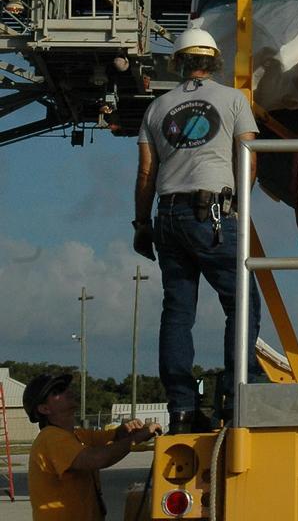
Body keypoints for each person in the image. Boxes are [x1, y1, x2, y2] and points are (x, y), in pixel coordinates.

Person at [133, 28, 263, 432]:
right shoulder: (233, 100)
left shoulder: (157, 108)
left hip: (167, 215)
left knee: (177, 312)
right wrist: (239, 205)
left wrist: (141, 224)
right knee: (241, 303)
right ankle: (241, 389)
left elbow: (146, 172)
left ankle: (183, 408)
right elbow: (249, 156)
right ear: (214, 61)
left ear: (178, 62)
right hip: (214, 215)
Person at [25, 372, 160, 519]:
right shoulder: (51, 438)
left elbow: (114, 437)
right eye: (57, 392)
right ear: (44, 409)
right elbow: (97, 458)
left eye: (65, 388)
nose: (68, 392)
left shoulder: (77, 435)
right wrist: (136, 439)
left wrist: (127, 430)